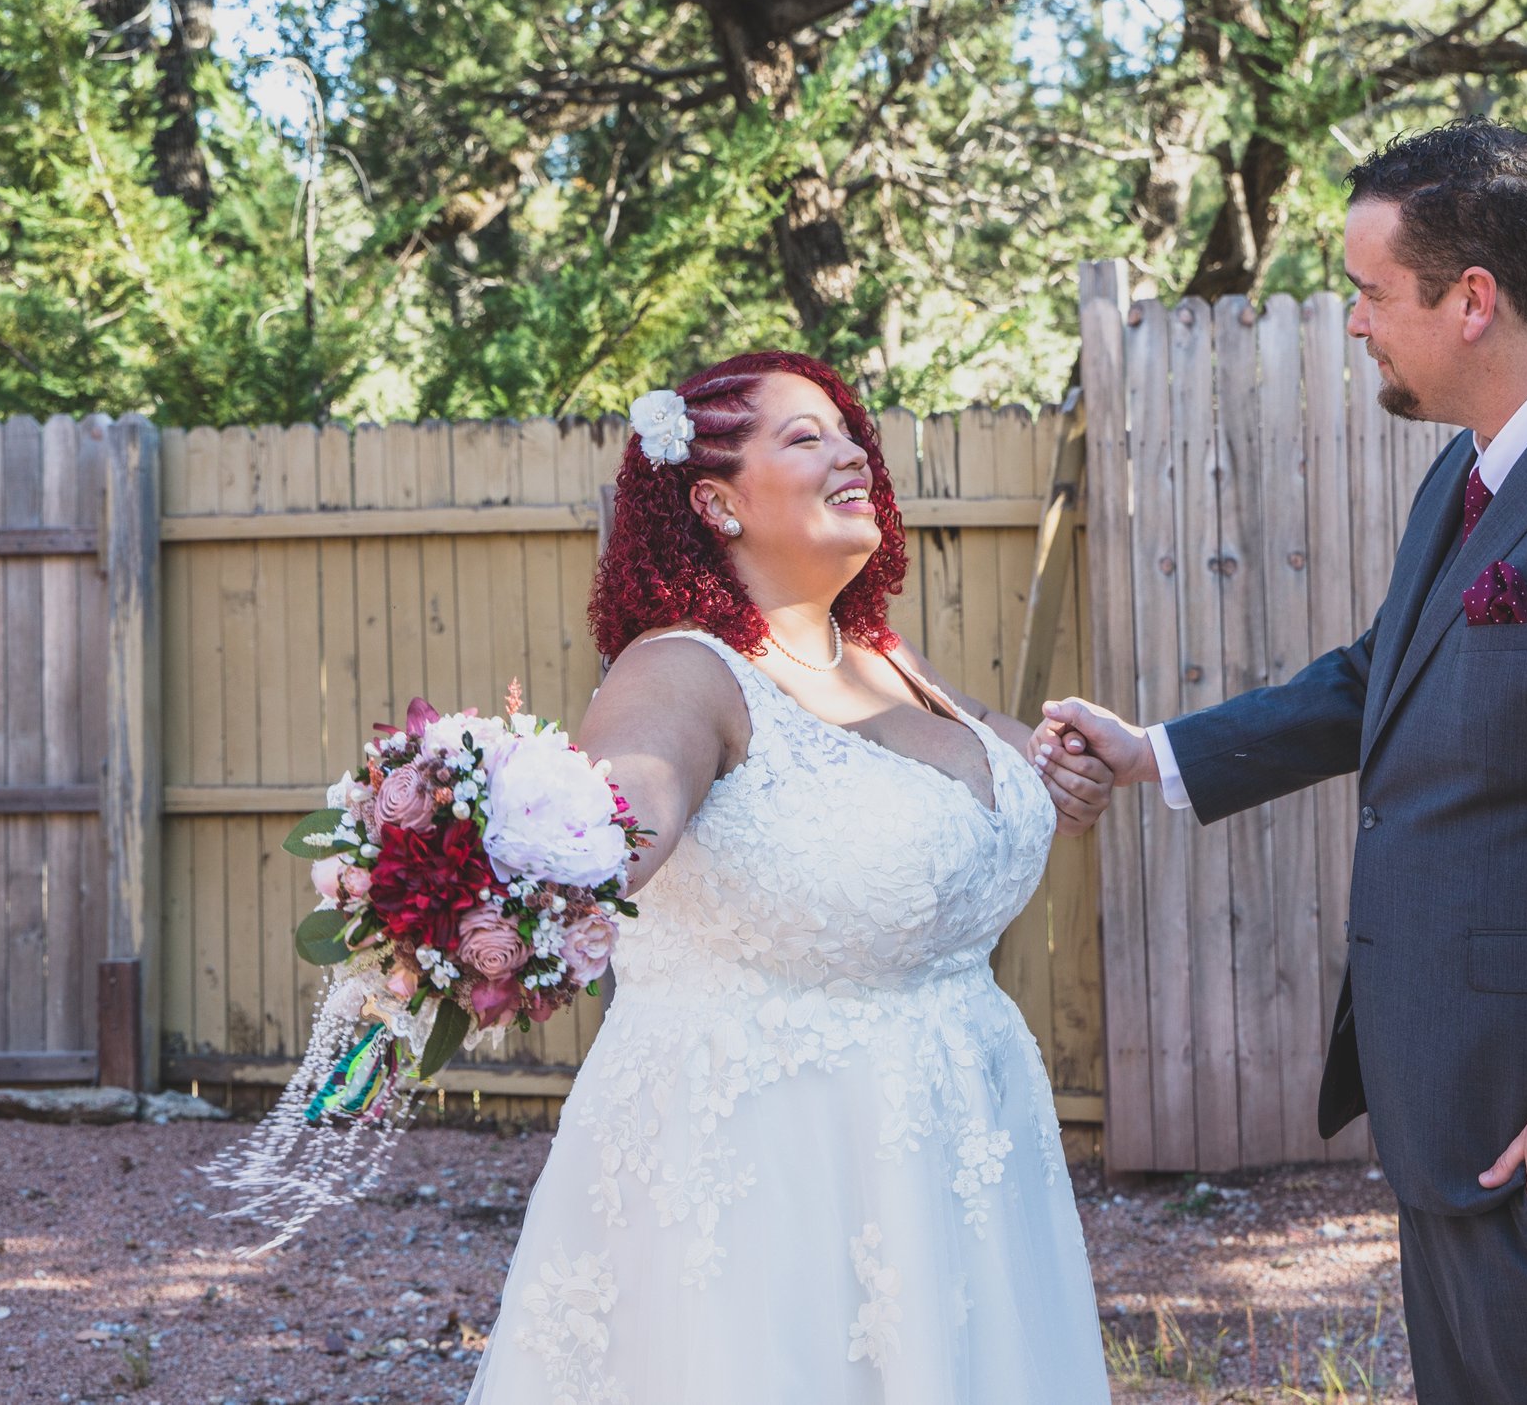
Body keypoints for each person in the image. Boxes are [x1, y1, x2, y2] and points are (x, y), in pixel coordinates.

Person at [1038, 121, 1527, 1403]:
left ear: (1472, 300)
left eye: (1367, 290)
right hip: (1472, 1121)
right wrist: (1156, 754)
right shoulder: (1479, 467)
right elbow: (1380, 674)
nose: (1351, 322)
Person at [467, 351, 1115, 1404]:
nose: (853, 450)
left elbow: (1018, 774)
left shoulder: (883, 658)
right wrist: (560, 872)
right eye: (806, 436)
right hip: (776, 1169)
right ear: (715, 500)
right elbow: (630, 802)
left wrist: (1077, 768)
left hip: (960, 1138)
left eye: (850, 431)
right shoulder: (678, 670)